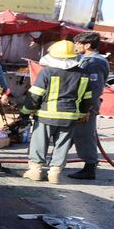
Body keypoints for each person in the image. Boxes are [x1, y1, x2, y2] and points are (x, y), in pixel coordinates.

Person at [21, 40, 93, 184]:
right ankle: (54, 173)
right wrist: (84, 113)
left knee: (39, 142)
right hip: (70, 116)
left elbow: (35, 95)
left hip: (46, 115)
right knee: (63, 145)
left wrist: (25, 111)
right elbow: (87, 98)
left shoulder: (47, 71)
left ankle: (35, 171)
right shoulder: (83, 74)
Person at [68, 32, 110, 179]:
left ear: (87, 45)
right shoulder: (86, 59)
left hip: (87, 106)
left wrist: (87, 108)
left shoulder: (95, 62)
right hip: (80, 104)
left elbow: (94, 87)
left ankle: (89, 168)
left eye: (78, 43)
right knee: (74, 134)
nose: (75, 46)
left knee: (84, 135)